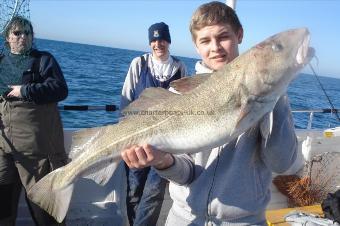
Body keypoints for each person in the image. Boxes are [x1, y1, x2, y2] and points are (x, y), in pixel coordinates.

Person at [121, 2, 298, 225]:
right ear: (196, 46)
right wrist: (163, 161)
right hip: (184, 219)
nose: (215, 47)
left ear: (239, 35)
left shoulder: (268, 92)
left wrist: (277, 94)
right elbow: (187, 174)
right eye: (205, 40)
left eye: (223, 36)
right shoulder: (179, 91)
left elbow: (281, 164)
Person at [0, 16, 68, 226]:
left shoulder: (43, 60)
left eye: (27, 33)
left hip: (36, 150)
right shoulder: (1, 61)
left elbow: (60, 89)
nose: (23, 37)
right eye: (17, 33)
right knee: (3, 206)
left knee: (44, 210)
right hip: (3, 148)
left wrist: (25, 90)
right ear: (7, 38)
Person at [120, 22, 187, 226]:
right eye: (154, 40)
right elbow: (126, 98)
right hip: (136, 139)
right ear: (150, 43)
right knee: (134, 190)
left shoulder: (179, 67)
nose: (158, 44)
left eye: (162, 39)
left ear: (168, 41)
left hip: (165, 142)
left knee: (154, 193)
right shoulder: (138, 64)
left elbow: (185, 104)